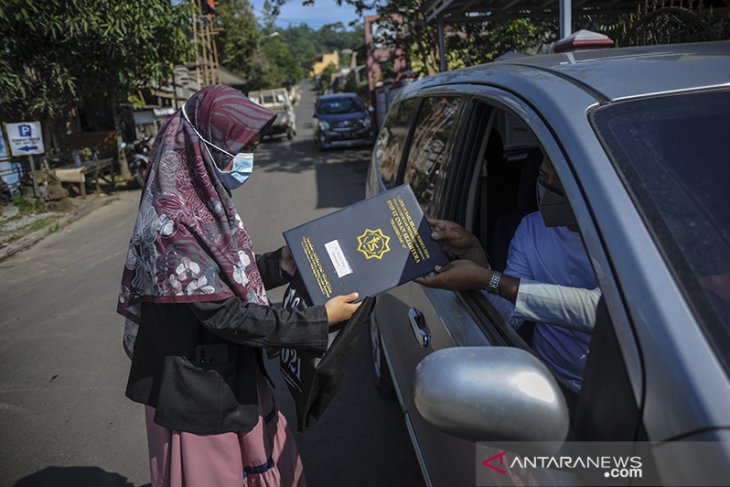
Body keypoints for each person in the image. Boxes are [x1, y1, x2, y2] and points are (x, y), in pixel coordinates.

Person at [116, 85, 361, 487]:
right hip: (200, 395)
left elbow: (220, 279)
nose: (247, 158)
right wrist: (318, 321)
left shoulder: (201, 200)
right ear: (203, 146)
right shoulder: (175, 222)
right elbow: (226, 314)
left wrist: (279, 264)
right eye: (238, 147)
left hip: (225, 376)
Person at [416, 155, 601, 390]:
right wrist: (474, 253)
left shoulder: (618, 239)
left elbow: (600, 310)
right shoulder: (531, 228)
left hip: (611, 388)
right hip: (551, 378)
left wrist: (487, 279)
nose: (548, 189)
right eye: (543, 177)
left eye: (561, 182)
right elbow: (511, 314)